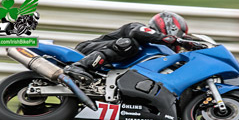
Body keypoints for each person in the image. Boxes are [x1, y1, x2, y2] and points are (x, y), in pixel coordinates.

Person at [64, 11, 201, 84]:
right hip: (88, 49)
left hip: (107, 66)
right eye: (179, 34)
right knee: (130, 44)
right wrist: (177, 40)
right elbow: (137, 32)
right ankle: (79, 67)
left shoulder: (155, 52)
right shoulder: (137, 27)